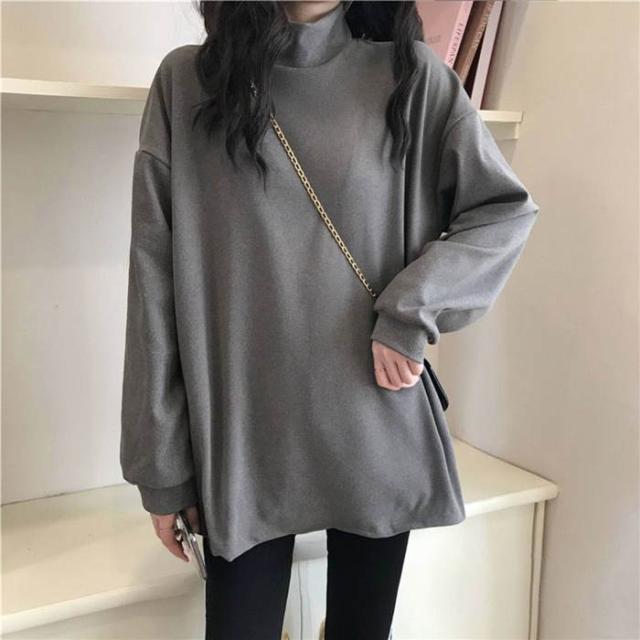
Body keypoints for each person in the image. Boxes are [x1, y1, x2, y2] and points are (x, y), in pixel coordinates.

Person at [120, 1, 540, 637]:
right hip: (242, 445)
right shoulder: (188, 83)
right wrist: (161, 469)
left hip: (374, 423)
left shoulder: (410, 77)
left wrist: (410, 311)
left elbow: (503, 212)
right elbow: (153, 280)